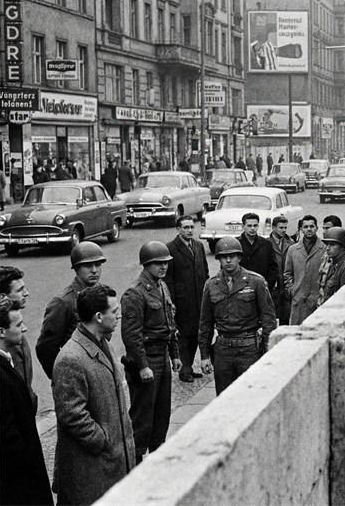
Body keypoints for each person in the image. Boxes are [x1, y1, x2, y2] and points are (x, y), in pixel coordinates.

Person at [53, 284, 136, 504]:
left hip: (113, 463)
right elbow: (72, 415)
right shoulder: (71, 359)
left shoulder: (103, 344)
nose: (119, 316)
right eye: (115, 311)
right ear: (99, 316)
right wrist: (103, 441)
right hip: (92, 468)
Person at [121, 242, 181, 463]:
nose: (163, 267)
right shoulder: (134, 293)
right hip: (146, 359)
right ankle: (135, 461)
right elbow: (131, 335)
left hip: (162, 355)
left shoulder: (161, 286)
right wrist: (142, 366)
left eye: (165, 263)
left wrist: (174, 354)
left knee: (161, 413)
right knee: (142, 416)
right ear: (146, 264)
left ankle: (157, 457)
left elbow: (169, 323)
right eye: (158, 263)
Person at [199, 237, 277, 394]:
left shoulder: (256, 282)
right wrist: (204, 355)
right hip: (223, 350)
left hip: (249, 349)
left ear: (239, 258)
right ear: (219, 259)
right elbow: (205, 323)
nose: (228, 260)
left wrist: (269, 351)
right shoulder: (211, 285)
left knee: (250, 396)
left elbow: (269, 319)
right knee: (224, 397)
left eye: (232, 256)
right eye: (223, 257)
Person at [0, 305, 54, 505]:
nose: (24, 329)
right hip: (18, 481)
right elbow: (5, 435)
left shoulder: (6, 360)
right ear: (1, 332)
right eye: (19, 324)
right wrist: (29, 459)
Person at [36, 242, 106, 379]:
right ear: (76, 269)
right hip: (77, 373)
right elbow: (45, 348)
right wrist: (63, 376)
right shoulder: (63, 302)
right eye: (88, 265)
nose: (94, 270)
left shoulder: (103, 294)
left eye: (98, 264)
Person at [165, 216, 209, 382]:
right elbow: (168, 279)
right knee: (183, 336)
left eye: (192, 227)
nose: (190, 230)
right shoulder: (171, 249)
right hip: (182, 303)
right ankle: (185, 370)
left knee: (196, 335)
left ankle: (189, 366)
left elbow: (204, 271)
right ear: (178, 229)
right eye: (186, 227)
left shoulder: (198, 246)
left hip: (199, 301)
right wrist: (172, 303)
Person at [0, 266, 36, 407]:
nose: (26, 293)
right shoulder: (7, 335)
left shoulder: (16, 326)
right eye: (20, 290)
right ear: (3, 296)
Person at [284, 215, 325, 325]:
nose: (309, 229)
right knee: (296, 333)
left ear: (317, 228)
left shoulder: (324, 248)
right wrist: (292, 289)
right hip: (299, 300)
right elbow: (288, 273)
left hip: (317, 299)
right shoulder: (293, 249)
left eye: (312, 226)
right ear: (301, 229)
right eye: (305, 227)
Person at [238, 212, 279, 292]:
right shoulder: (236, 244)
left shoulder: (266, 244)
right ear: (243, 227)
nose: (252, 228)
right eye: (249, 226)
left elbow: (273, 267)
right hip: (241, 289)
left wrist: (267, 284)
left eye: (255, 225)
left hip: (261, 288)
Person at [318, 228, 345, 306]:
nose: (327, 248)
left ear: (343, 247)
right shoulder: (334, 262)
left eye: (332, 245)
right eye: (327, 244)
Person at [269, 216, 294, 325]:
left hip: (287, 285)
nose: (284, 230)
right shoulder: (267, 244)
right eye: (281, 228)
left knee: (287, 316)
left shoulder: (291, 243)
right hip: (274, 285)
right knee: (272, 315)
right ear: (273, 228)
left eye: (285, 228)